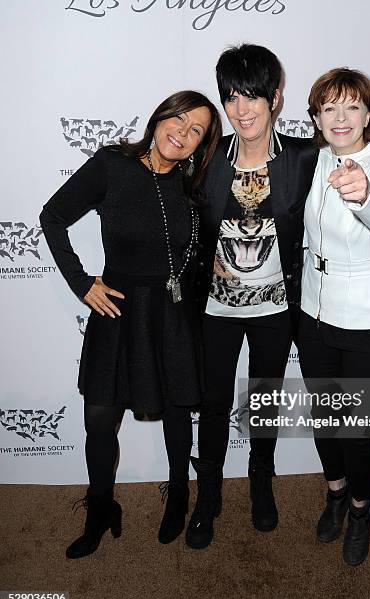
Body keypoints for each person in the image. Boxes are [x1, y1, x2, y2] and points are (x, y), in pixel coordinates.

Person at [40, 91, 222, 558]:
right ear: (160, 117)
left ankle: (179, 494)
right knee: (99, 419)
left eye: (196, 130)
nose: (181, 132)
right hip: (117, 310)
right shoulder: (112, 164)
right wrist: (82, 284)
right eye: (178, 118)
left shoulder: (192, 185)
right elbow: (52, 216)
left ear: (201, 145)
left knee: (178, 411)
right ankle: (100, 508)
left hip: (172, 312)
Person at [185, 44, 318, 549]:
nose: (241, 110)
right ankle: (209, 497)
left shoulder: (303, 158)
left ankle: (261, 484)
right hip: (216, 309)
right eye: (232, 97)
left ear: (276, 97)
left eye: (253, 97)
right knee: (214, 403)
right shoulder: (207, 158)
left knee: (264, 402)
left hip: (276, 310)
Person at [298, 68, 370, 566]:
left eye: (351, 107)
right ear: (317, 117)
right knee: (325, 418)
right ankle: (336, 493)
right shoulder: (307, 161)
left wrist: (365, 191)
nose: (340, 118)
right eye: (329, 108)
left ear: (369, 114)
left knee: (356, 428)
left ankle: (362, 512)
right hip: (312, 312)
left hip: (369, 317)